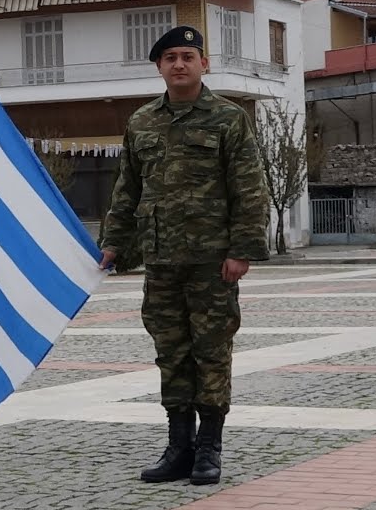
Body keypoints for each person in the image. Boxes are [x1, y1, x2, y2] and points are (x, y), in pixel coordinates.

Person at [99, 24, 271, 486]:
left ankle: (208, 451)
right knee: (171, 353)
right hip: (161, 262)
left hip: (212, 262)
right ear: (159, 66)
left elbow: (249, 188)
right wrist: (113, 242)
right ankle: (179, 447)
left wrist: (242, 249)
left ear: (203, 64)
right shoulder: (141, 122)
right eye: (170, 57)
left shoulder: (228, 118)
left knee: (211, 352)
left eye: (187, 57)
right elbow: (127, 190)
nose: (179, 64)